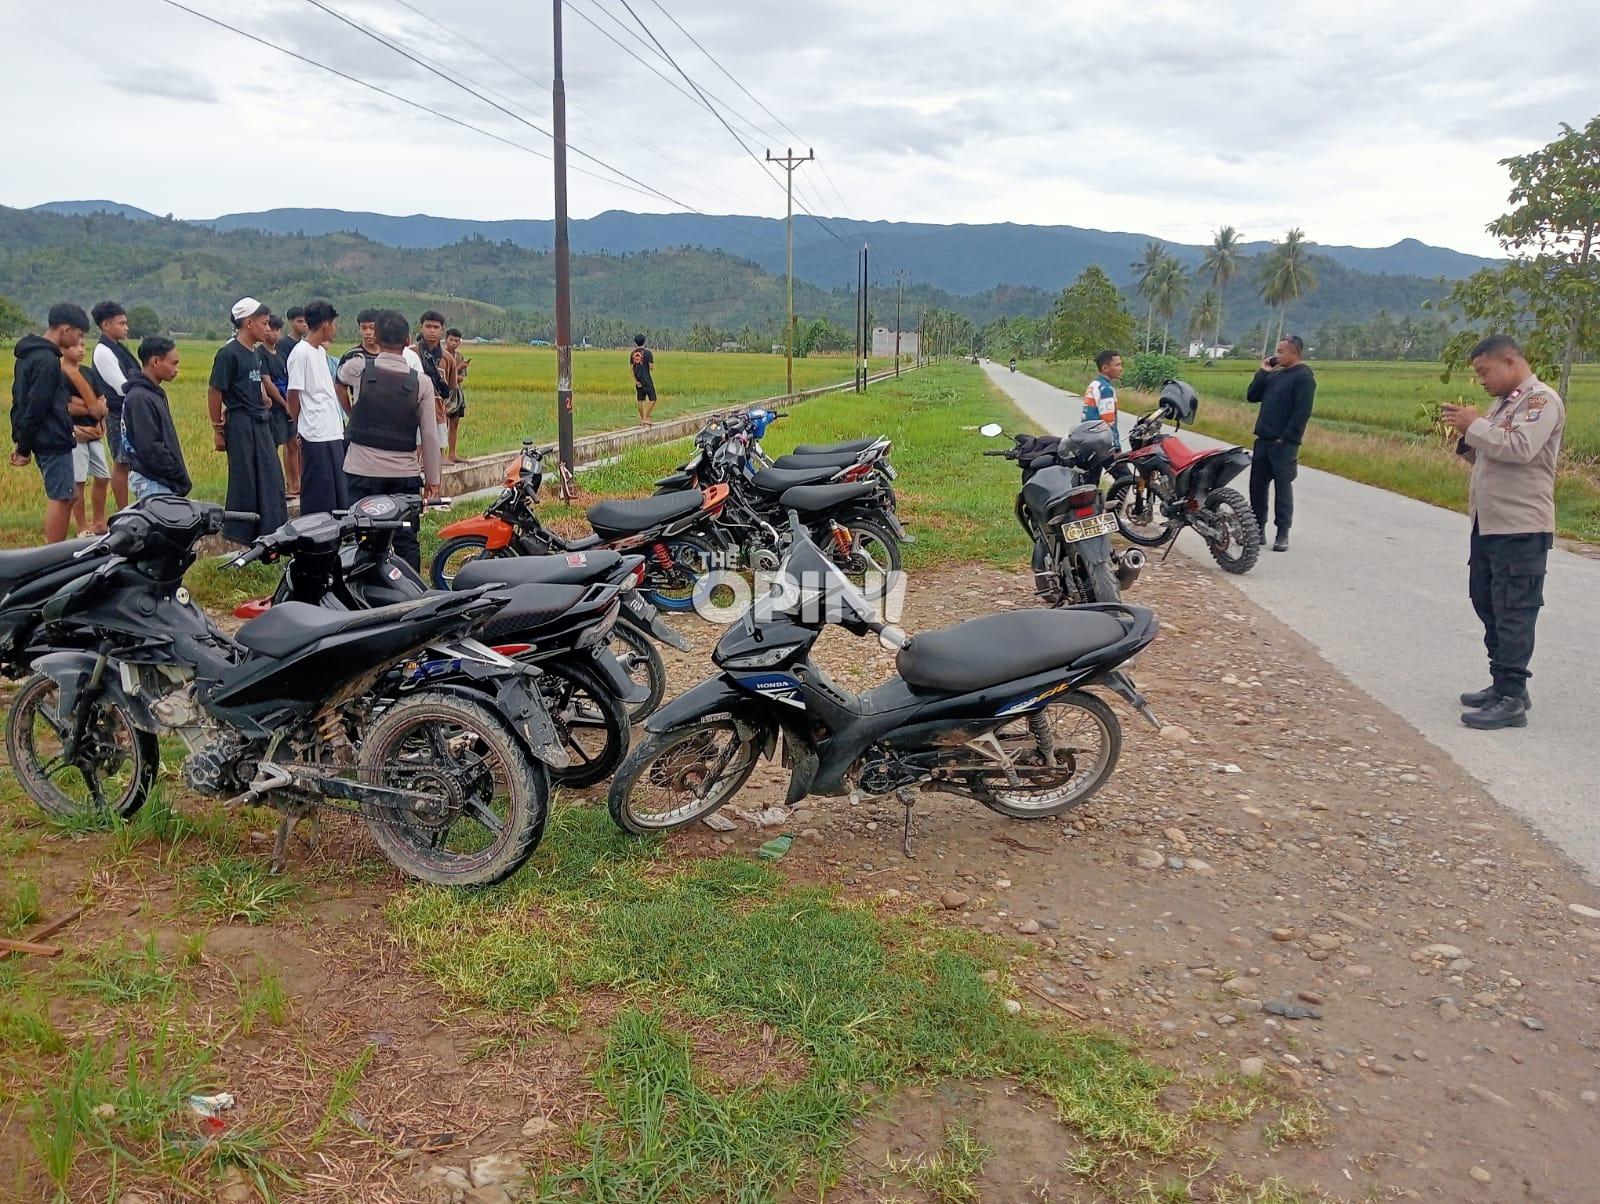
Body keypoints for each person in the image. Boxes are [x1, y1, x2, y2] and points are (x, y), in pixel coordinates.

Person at [1440, 335, 1566, 731]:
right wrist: (1467, 437)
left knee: (1514, 610)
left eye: (1484, 371)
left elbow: (1520, 449)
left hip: (1521, 525)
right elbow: (1490, 452)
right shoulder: (1503, 404)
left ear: (1510, 362)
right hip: (1489, 522)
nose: (1481, 380)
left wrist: (1475, 424)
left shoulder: (1540, 401)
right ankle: (1502, 684)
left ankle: (1511, 697)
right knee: (1486, 600)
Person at [337, 309, 441, 569]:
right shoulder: (421, 383)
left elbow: (339, 380)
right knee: (406, 538)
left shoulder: (358, 367)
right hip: (402, 475)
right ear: (408, 342)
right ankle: (411, 596)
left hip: (360, 471)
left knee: (359, 536)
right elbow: (429, 435)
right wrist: (434, 480)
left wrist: (351, 411)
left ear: (376, 338)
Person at [209, 297, 288, 545]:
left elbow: (256, 383)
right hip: (241, 422)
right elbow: (215, 391)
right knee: (245, 477)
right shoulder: (228, 353)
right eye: (264, 323)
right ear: (249, 322)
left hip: (260, 421)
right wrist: (217, 429)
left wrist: (264, 399)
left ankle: (270, 528)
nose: (267, 328)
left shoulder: (254, 354)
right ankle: (240, 534)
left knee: (270, 475)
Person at [10, 303, 89, 543]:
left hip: (44, 436)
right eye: (78, 334)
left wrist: (22, 439)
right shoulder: (47, 360)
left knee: (68, 494)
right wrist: (24, 447)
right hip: (52, 438)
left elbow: (19, 398)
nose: (78, 341)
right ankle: (53, 557)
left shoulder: (29, 355)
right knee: (62, 497)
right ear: (65, 330)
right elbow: (37, 405)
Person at [1245, 335, 1316, 552]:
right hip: (1263, 440)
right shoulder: (1275, 375)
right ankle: (1257, 530)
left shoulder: (1304, 377)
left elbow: (1302, 412)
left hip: (1284, 444)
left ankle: (1282, 532)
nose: (1277, 355)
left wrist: (1285, 438)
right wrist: (1263, 371)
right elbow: (1252, 396)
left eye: (1281, 351)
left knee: (1282, 488)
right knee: (1257, 487)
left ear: (1294, 352)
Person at [287, 298, 348, 516]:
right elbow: (293, 394)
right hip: (314, 431)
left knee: (335, 487)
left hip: (331, 429)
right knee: (318, 488)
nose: (335, 329)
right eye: (334, 324)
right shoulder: (300, 353)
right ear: (325, 325)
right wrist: (297, 425)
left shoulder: (320, 352)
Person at [120, 337, 191, 500]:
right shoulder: (140, 398)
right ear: (156, 362)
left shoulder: (151, 393)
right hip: (153, 482)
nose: (177, 369)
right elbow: (149, 446)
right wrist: (176, 472)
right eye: (173, 363)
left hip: (158, 479)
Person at [90, 300, 138, 510]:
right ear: (106, 325)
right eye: (121, 323)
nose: (126, 327)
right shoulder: (103, 351)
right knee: (121, 463)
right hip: (117, 414)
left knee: (127, 462)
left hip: (127, 411)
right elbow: (121, 386)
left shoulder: (117, 348)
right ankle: (123, 510)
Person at [62, 341, 111, 534]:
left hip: (95, 432)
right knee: (79, 481)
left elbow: (102, 403)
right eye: (75, 345)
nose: (81, 349)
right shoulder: (61, 376)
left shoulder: (88, 372)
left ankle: (99, 522)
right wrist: (92, 407)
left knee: (102, 476)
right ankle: (82, 526)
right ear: (62, 348)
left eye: (83, 345)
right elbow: (66, 406)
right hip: (76, 433)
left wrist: (92, 409)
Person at [261, 314, 299, 497]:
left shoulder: (282, 354)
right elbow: (267, 382)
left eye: (278, 330)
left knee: (293, 444)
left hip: (287, 404)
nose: (275, 333)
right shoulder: (260, 354)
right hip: (274, 407)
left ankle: (295, 485)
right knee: (274, 446)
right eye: (271, 329)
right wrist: (284, 403)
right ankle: (277, 486)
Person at [415, 310, 455, 459]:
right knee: (414, 456)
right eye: (428, 326)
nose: (432, 330)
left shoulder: (447, 359)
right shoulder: (411, 354)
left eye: (436, 327)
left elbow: (451, 388)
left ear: (442, 330)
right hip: (414, 416)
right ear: (421, 328)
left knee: (436, 458)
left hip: (438, 415)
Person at [335, 308, 381, 412]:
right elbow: (339, 386)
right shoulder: (351, 356)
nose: (368, 332)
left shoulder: (388, 353)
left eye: (372, 328)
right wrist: (350, 413)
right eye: (364, 328)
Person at [1083, 349, 1124, 450]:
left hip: (1087, 437)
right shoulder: (1106, 389)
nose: (1121, 368)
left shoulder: (1094, 384)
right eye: (1117, 365)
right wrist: (1116, 446)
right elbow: (1108, 422)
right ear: (1105, 368)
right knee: (1120, 465)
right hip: (1100, 442)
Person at [444, 326, 469, 462]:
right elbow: (443, 377)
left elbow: (461, 378)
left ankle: (452, 454)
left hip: (457, 394)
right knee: (442, 425)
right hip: (445, 393)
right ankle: (440, 455)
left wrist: (456, 374)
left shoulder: (459, 356)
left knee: (454, 423)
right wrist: (458, 369)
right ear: (446, 339)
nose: (454, 343)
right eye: (451, 340)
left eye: (456, 341)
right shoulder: (441, 355)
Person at [630, 333, 657, 425]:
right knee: (653, 398)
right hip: (646, 379)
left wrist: (635, 381)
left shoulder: (633, 354)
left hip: (638, 380)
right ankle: (645, 417)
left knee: (640, 399)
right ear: (644, 341)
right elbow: (651, 367)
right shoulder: (648, 353)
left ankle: (642, 419)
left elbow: (631, 369)